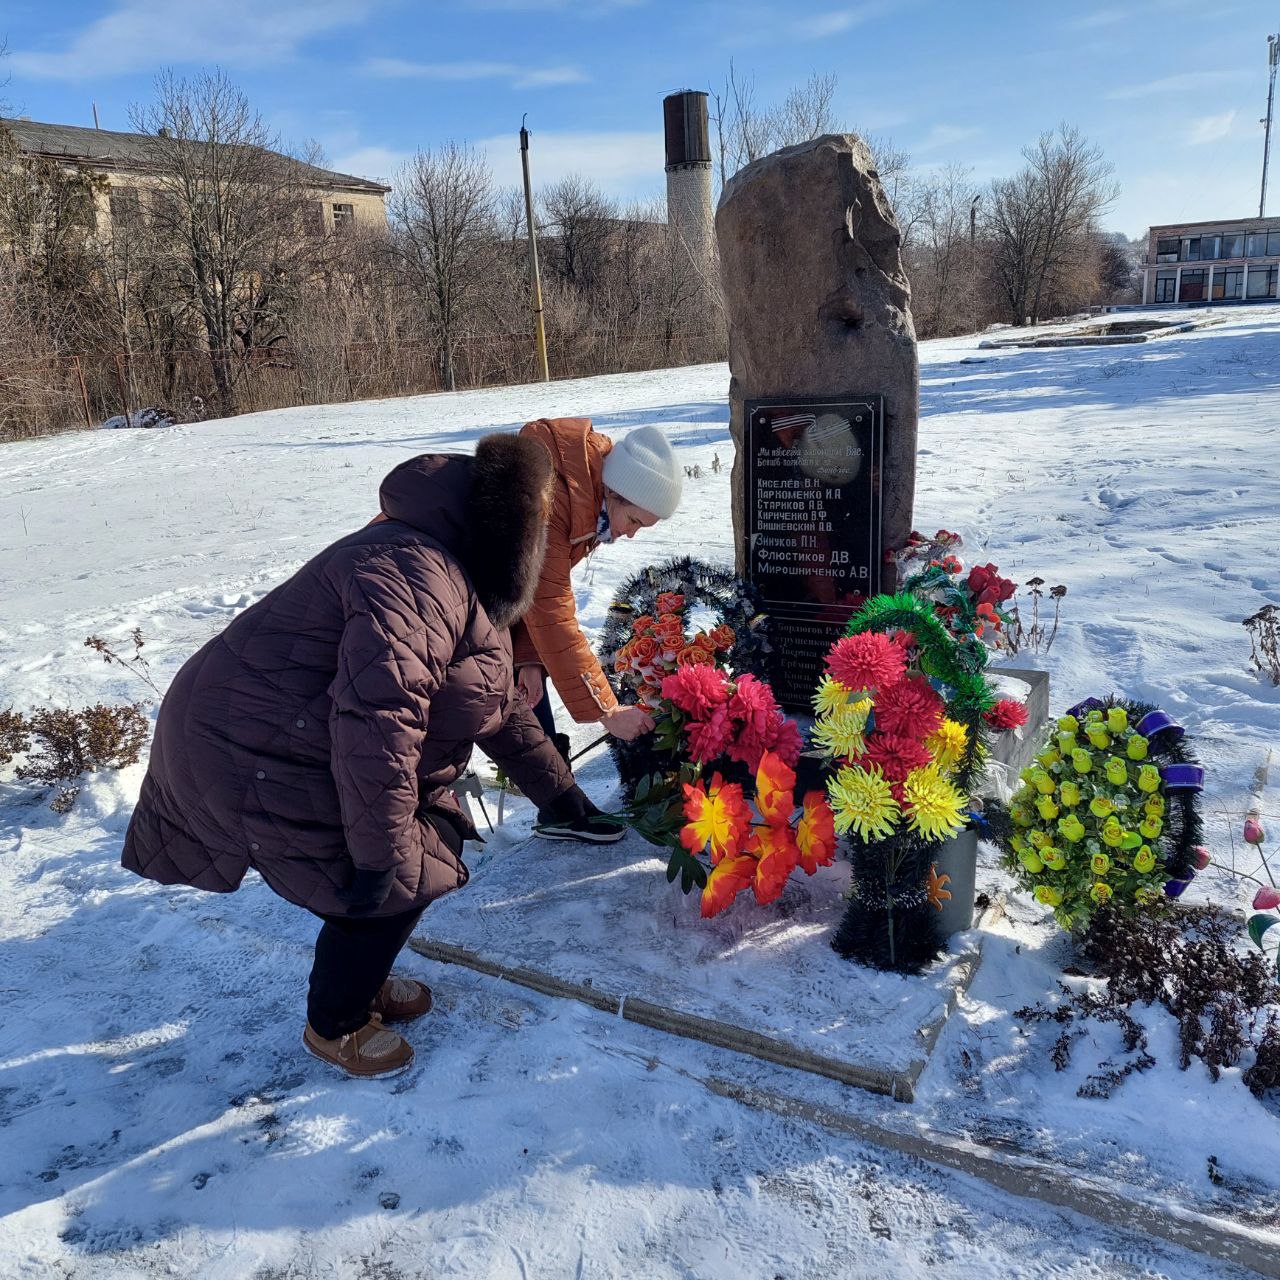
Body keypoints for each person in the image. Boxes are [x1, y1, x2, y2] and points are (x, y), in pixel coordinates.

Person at [121, 434, 619, 1080]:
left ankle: (364, 979)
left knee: (412, 848)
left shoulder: (457, 580)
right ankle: (336, 1022)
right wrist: (381, 857)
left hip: (284, 735)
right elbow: (377, 726)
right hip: (245, 746)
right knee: (405, 861)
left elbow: (497, 705)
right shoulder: (418, 581)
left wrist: (561, 793)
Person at [512, 419, 682, 838]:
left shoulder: (581, 496)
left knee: (520, 685)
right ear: (615, 493)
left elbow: (525, 590)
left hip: (474, 600)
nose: (630, 535)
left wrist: (527, 658)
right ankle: (561, 805)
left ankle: (559, 804)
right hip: (416, 592)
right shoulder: (551, 499)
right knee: (482, 694)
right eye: (635, 521)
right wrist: (607, 710)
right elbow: (551, 611)